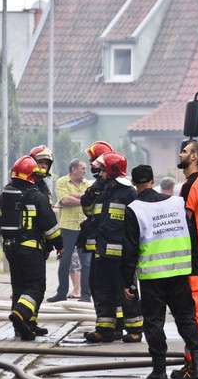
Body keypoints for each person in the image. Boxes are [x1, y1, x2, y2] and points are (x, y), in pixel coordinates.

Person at [121, 164, 198, 379]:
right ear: (153, 180)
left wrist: (127, 283)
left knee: (154, 323)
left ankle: (159, 372)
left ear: (134, 183)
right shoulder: (177, 203)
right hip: (180, 272)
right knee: (186, 318)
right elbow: (190, 231)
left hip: (152, 277)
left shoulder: (133, 209)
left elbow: (129, 249)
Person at [0, 156, 64, 340]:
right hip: (31, 250)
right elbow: (50, 225)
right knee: (36, 286)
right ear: (31, 175)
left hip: (10, 251)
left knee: (19, 287)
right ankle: (20, 314)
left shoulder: (5, 195)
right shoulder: (37, 196)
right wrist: (58, 245)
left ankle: (23, 328)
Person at [83, 151, 143, 343]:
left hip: (121, 255)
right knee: (102, 292)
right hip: (101, 251)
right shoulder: (101, 191)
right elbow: (87, 210)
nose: (99, 174)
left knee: (125, 292)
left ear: (111, 171)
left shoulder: (129, 193)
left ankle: (134, 329)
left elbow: (135, 224)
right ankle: (104, 329)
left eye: (101, 171)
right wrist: (92, 190)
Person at [171, 140, 198, 379]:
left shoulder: (191, 186)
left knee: (194, 310)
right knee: (194, 309)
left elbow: (182, 223)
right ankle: (196, 361)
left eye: (185, 151)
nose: (181, 154)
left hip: (193, 254)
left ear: (194, 157)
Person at [47, 158, 91, 302]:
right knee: (64, 261)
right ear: (74, 169)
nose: (85, 171)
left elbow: (93, 200)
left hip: (84, 227)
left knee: (86, 263)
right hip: (67, 227)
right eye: (83, 168)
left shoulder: (87, 184)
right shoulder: (62, 182)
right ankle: (61, 294)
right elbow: (64, 201)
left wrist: (74, 197)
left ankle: (85, 295)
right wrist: (85, 199)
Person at [78, 141, 114, 303]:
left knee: (109, 287)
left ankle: (115, 326)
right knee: (97, 284)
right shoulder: (98, 186)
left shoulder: (114, 186)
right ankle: (105, 325)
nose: (90, 164)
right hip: (97, 244)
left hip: (110, 246)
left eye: (92, 160)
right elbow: (88, 210)